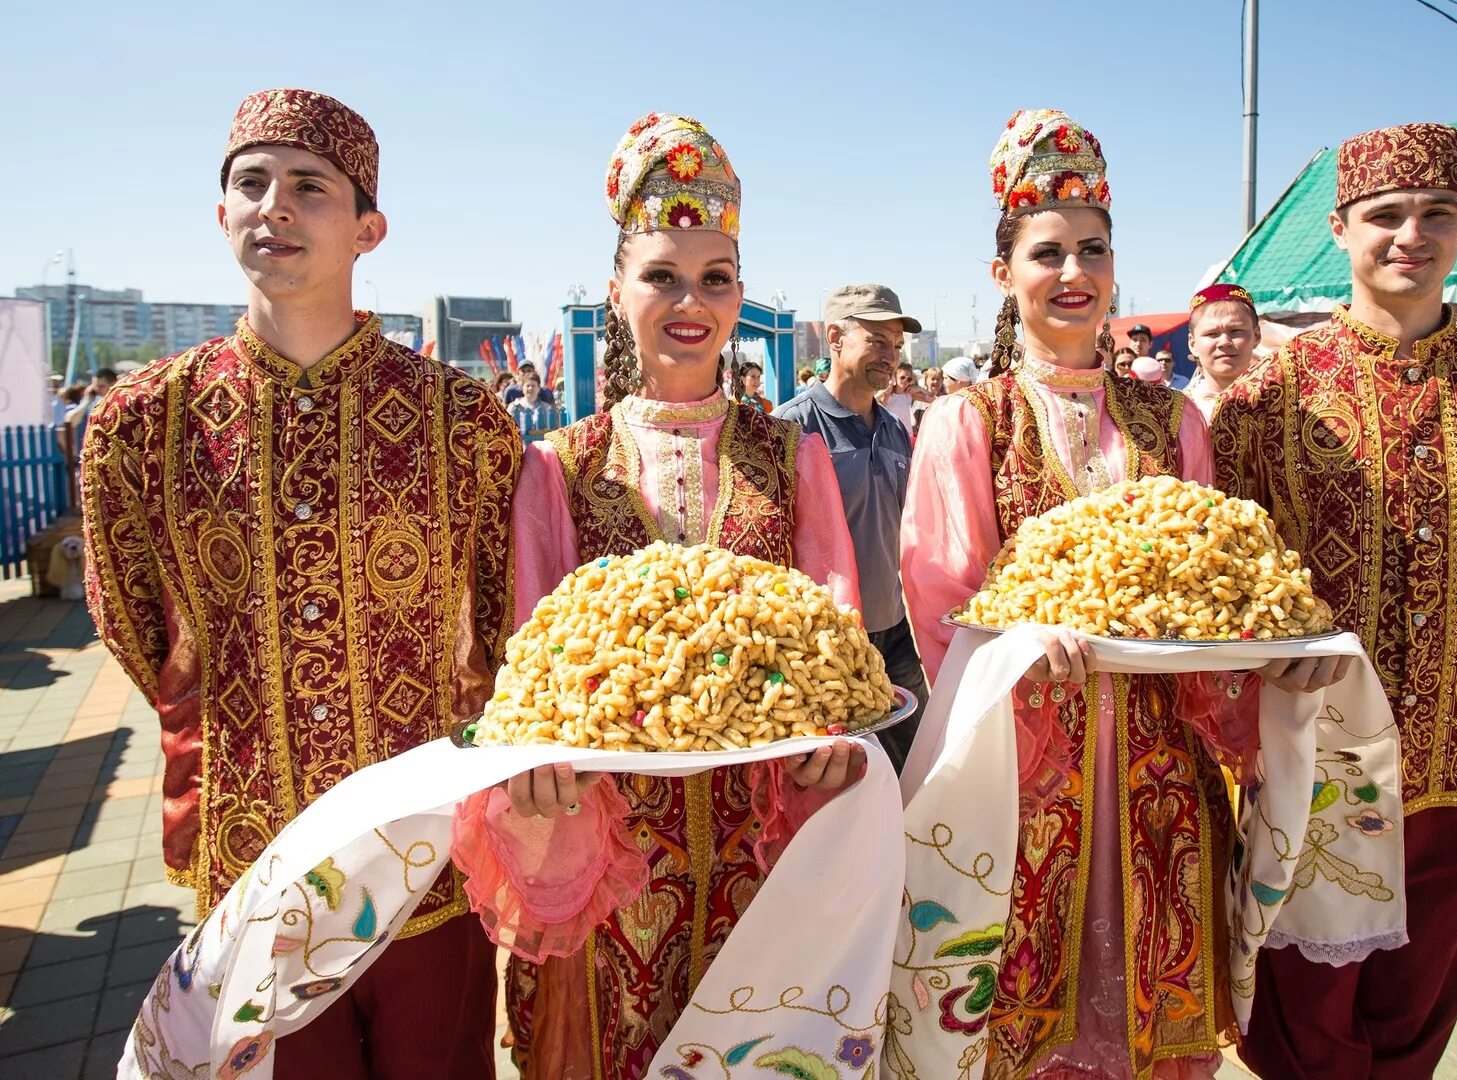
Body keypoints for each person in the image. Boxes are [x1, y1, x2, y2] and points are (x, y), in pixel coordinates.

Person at [79, 88, 518, 1078]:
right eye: (251, 183)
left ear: (369, 228)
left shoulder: (464, 420)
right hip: (258, 857)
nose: (273, 206)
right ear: (220, 213)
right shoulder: (144, 425)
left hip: (426, 862)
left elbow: (504, 629)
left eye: (309, 187)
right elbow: (139, 630)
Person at [901, 107, 1343, 1080]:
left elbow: (1214, 588)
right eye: (1046, 252)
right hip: (1026, 791)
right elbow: (945, 611)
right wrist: (1018, 643)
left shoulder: (1173, 419)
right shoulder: (969, 424)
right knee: (1021, 1032)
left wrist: (1274, 662)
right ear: (1003, 274)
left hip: (1165, 786)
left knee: (1157, 1028)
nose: (1073, 275)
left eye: (1092, 251)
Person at [459, 113, 868, 1080]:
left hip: (763, 828)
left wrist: (834, 745)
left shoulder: (791, 454)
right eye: (662, 276)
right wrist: (542, 765)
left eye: (715, 278)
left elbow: (835, 632)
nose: (692, 300)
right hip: (609, 838)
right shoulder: (561, 466)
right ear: (616, 290)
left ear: (739, 296)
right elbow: (535, 655)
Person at [1212, 122, 1457, 1079]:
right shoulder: (1268, 398)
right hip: (1312, 756)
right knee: (1303, 1012)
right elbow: (1232, 574)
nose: (1410, 234)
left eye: (1436, 215)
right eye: (1385, 215)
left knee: (1419, 1007)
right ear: (1339, 227)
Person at [778, 283, 929, 770]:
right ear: (835, 337)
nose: (890, 357)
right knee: (849, 782)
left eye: (897, 347)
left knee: (921, 765)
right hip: (827, 644)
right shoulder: (789, 430)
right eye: (879, 342)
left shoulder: (894, 429)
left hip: (895, 631)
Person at [1183, 284, 1260, 419]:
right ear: (1193, 343)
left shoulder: (1281, 404)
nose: (1224, 342)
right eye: (1212, 333)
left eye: (1236, 331)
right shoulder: (1177, 413)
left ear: (1257, 335)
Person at [879, 361, 925, 435]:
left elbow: (930, 398)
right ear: (895, 378)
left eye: (909, 379)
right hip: (892, 435)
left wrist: (921, 389)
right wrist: (884, 392)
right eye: (902, 377)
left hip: (907, 435)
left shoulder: (909, 394)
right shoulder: (888, 395)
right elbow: (873, 403)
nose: (905, 381)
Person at [508, 368, 553, 443]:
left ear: (539, 388)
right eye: (527, 385)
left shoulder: (546, 407)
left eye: (533, 386)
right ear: (522, 388)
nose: (530, 388)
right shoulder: (513, 407)